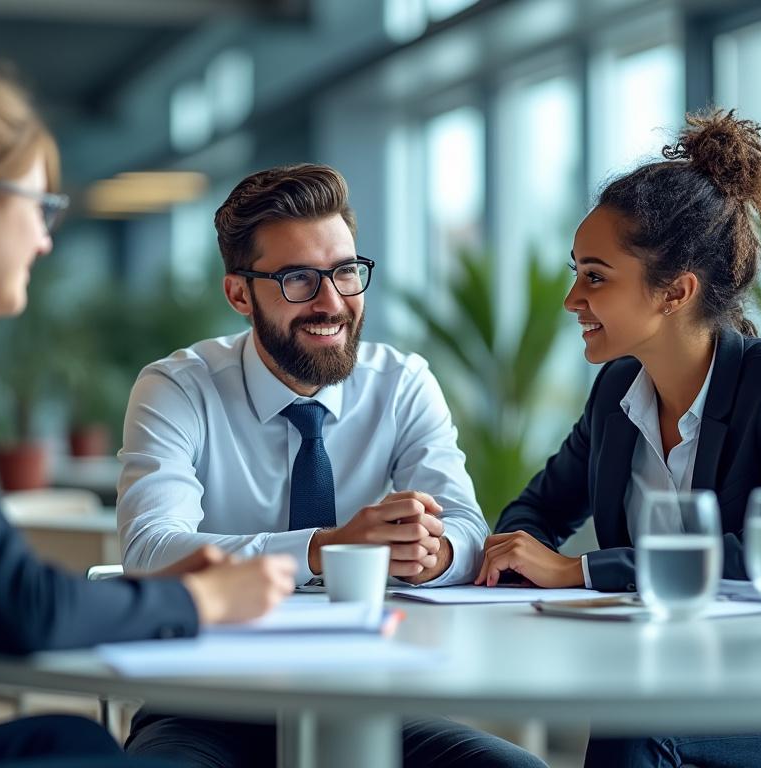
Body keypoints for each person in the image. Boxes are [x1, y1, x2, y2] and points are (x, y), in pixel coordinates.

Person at [0, 9, 296, 765]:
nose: (45, 240)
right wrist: (200, 600)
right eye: (40, 208)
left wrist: (156, 595)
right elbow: (17, 607)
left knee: (70, 740)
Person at [477, 109, 761, 767]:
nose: (572, 299)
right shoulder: (617, 393)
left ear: (675, 291)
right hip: (673, 681)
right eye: (576, 272)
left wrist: (579, 571)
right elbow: (536, 512)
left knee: (635, 725)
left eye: (595, 276)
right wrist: (518, 554)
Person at [115, 163, 543, 767]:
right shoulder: (178, 388)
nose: (332, 302)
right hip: (204, 701)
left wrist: (434, 552)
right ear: (239, 294)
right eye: (298, 279)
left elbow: (471, 530)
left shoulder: (401, 384)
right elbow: (151, 552)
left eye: (345, 271)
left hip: (371, 699)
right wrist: (325, 548)